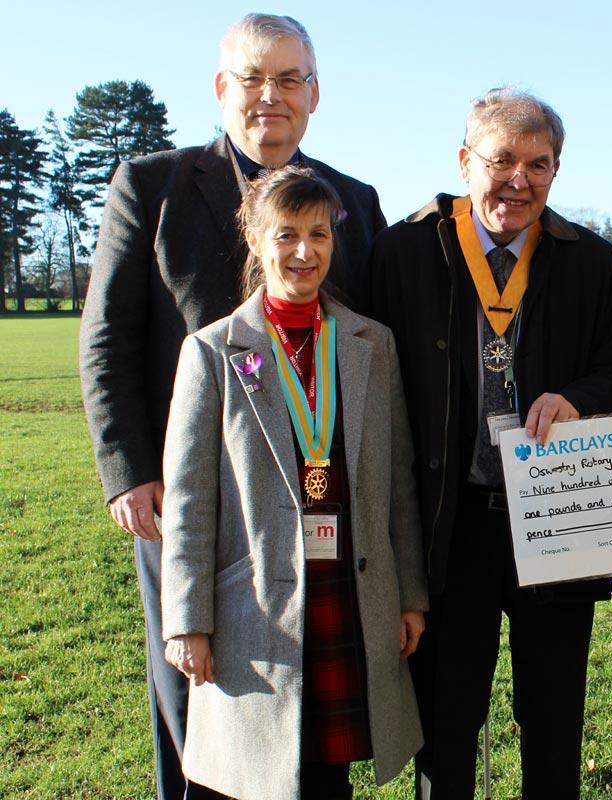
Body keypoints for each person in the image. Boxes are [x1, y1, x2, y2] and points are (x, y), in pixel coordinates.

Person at [78, 14, 386, 799]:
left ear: (314, 94)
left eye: (289, 79)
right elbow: (108, 338)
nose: (269, 96)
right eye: (252, 77)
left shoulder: (353, 200)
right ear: (222, 87)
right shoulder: (152, 186)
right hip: (185, 499)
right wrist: (126, 472)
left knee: (307, 699)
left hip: (310, 497)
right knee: (190, 684)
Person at [368, 88, 612, 799]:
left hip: (559, 519)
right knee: (446, 722)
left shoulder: (593, 266)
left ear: (556, 171)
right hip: (448, 525)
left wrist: (582, 398)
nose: (519, 179)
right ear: (465, 161)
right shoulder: (403, 252)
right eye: (501, 160)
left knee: (554, 720)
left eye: (539, 164)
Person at [159, 166, 426, 800]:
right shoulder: (212, 351)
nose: (304, 252)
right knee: (260, 775)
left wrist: (409, 593)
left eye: (318, 234)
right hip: (253, 604)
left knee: (329, 773)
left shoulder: (370, 344)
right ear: (254, 237)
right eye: (286, 234)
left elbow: (398, 483)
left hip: (352, 587)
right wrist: (186, 619)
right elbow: (190, 500)